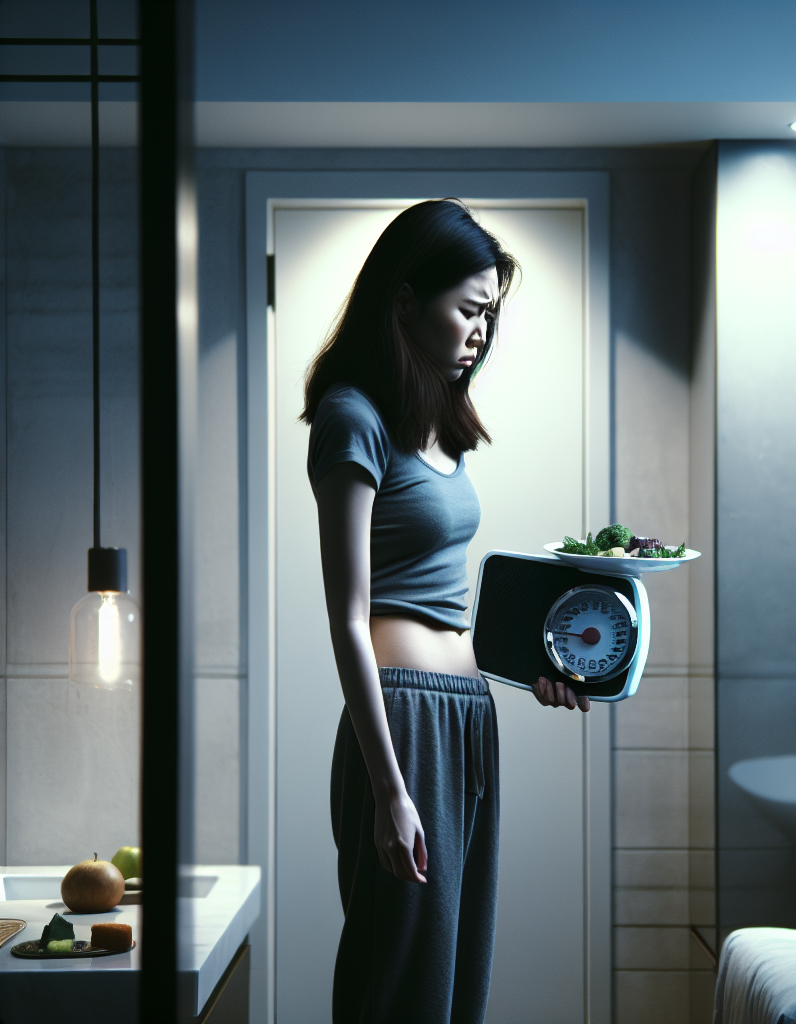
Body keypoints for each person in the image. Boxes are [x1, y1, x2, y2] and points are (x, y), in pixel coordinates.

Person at [302, 199, 590, 1024]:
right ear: (403, 300)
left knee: (457, 972)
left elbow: (445, 606)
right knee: (400, 975)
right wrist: (391, 789)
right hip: (403, 724)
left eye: (490, 314)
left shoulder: (438, 429)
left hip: (468, 714)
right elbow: (348, 617)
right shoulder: (352, 418)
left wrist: (531, 664)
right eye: (469, 309)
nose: (481, 332)